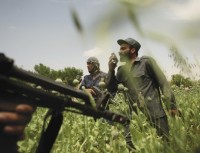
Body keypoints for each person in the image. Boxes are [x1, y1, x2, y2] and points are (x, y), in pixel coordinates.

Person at [107, 38, 178, 150]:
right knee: (133, 147)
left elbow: (163, 82)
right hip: (132, 119)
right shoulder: (120, 70)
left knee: (165, 146)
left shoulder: (146, 62)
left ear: (132, 50)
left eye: (123, 48)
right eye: (119, 49)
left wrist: (171, 105)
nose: (119, 51)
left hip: (154, 115)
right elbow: (111, 89)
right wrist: (111, 70)